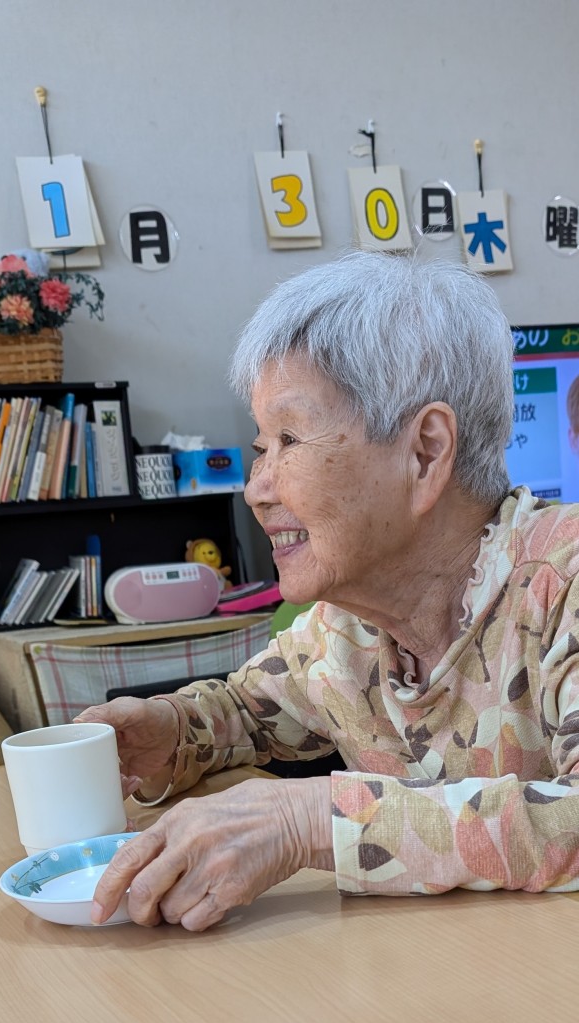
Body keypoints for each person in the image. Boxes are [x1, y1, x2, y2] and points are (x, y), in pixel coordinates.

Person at [77, 251, 579, 931]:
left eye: (289, 439)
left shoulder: (561, 581)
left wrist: (306, 821)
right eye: (261, 447)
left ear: (425, 452)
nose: (256, 490)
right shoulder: (344, 630)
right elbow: (245, 710)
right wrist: (169, 732)